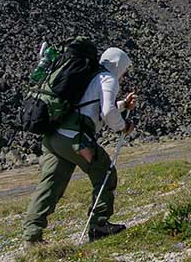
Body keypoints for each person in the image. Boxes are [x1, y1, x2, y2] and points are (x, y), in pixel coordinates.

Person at [23, 47, 136, 244]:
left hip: (53, 137)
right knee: (105, 172)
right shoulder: (108, 79)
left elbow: (89, 107)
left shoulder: (86, 74)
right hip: (74, 139)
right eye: (124, 70)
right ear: (119, 65)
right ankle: (99, 225)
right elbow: (107, 113)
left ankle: (32, 237)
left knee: (49, 185)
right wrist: (124, 125)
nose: (123, 75)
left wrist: (123, 106)